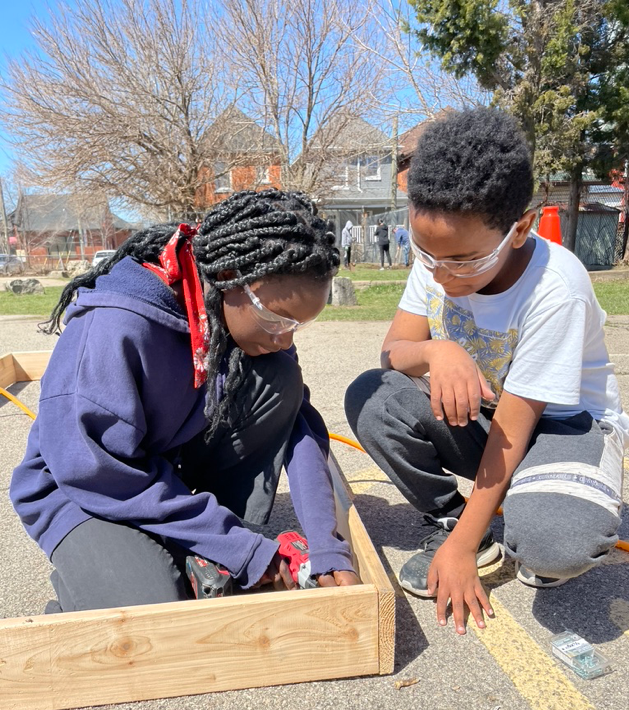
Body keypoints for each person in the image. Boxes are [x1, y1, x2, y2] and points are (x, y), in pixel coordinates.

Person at [345, 108, 628, 636]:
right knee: (373, 396)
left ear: (520, 227)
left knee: (553, 544)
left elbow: (514, 429)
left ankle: (546, 503)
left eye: (464, 261)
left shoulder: (554, 288)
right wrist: (438, 352)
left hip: (566, 427)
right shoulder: (440, 255)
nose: (443, 275)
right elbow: (393, 352)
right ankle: (461, 521)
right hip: (493, 415)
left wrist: (456, 555)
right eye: (427, 255)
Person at [10, 189, 360, 613]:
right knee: (147, 615)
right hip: (84, 487)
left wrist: (327, 543)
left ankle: (206, 543)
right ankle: (94, 579)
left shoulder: (248, 316)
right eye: (276, 321)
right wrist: (239, 547)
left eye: (296, 327)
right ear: (230, 275)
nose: (284, 338)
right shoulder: (116, 328)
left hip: (163, 465)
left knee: (279, 377)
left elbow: (297, 424)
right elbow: (97, 473)